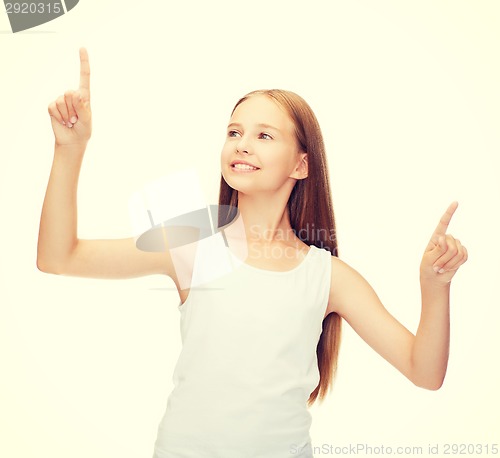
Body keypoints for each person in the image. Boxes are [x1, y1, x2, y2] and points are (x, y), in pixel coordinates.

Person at [38, 48, 468, 458]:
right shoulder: (191, 242)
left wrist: (434, 287)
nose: (242, 144)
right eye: (234, 132)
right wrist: (69, 150)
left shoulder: (328, 276)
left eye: (264, 135)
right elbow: (59, 258)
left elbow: (424, 372)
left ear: (301, 165)